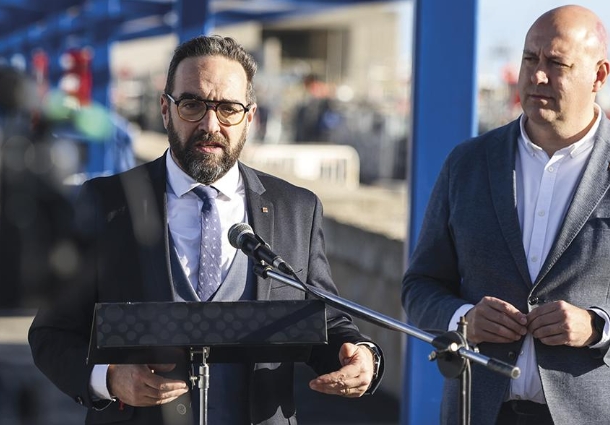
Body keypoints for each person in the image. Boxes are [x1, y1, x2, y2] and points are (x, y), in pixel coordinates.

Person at [29, 35, 383, 425]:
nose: (211, 124)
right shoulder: (104, 204)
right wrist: (110, 379)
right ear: (165, 110)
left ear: (249, 118)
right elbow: (52, 334)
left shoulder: (296, 209)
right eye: (193, 104)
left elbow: (325, 318)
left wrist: (361, 354)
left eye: (228, 108)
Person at [401, 5, 610, 425]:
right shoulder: (468, 163)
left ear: (599, 75)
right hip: (480, 411)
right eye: (530, 58)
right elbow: (420, 285)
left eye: (556, 63)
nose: (537, 75)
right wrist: (464, 319)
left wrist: (599, 326)